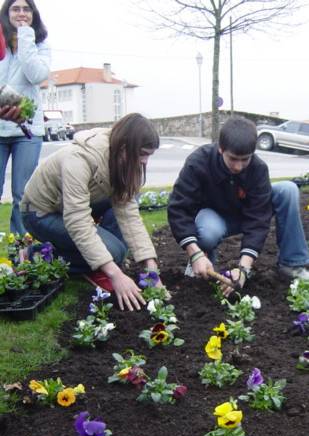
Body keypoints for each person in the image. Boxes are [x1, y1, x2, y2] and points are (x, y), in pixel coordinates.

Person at [20, 113, 164, 311]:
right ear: (124, 148)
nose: (145, 162)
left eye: (150, 155)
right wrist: (115, 273)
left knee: (116, 244)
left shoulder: (127, 162)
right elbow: (77, 220)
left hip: (70, 207)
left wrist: (152, 269)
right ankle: (35, 256)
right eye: (143, 154)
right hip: (41, 213)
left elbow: (129, 215)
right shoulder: (80, 159)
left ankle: (98, 260)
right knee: (115, 253)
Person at [168, 116, 309, 297]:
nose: (238, 166)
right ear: (221, 149)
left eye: (245, 159)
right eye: (233, 158)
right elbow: (179, 209)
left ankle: (291, 264)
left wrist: (243, 269)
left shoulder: (258, 169)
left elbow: (258, 219)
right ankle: (202, 260)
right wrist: (194, 253)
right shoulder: (199, 162)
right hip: (214, 217)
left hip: (246, 214)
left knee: (287, 190)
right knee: (208, 232)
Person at [0, 0, 51, 233]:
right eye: (15, 8)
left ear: (33, 14)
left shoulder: (40, 44)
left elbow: (36, 74)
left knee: (23, 193)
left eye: (26, 8)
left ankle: (20, 245)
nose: (21, 13)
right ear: (6, 13)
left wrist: (25, 36)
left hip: (27, 130)